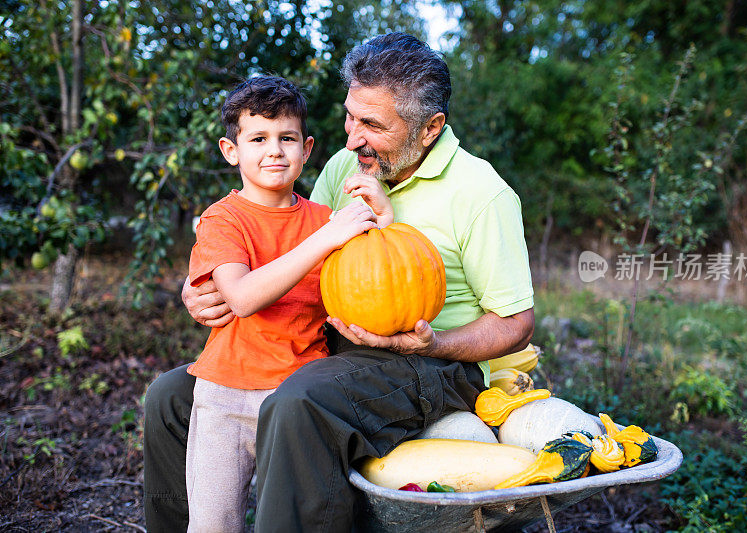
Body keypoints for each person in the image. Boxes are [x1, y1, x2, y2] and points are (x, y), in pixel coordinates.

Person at [144, 32, 535, 533]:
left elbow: (516, 323)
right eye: (351, 116)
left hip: (429, 363)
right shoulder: (345, 167)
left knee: (300, 401)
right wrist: (203, 284)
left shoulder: (481, 193)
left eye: (371, 124)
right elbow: (291, 245)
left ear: (430, 128)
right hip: (337, 343)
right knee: (173, 395)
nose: (351, 138)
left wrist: (436, 343)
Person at [178, 75, 389, 532]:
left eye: (286, 138)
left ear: (306, 148)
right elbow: (242, 296)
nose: (274, 150)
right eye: (258, 138)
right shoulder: (223, 219)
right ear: (231, 150)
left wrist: (382, 214)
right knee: (213, 523)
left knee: (287, 520)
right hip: (225, 395)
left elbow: (381, 277)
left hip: (297, 400)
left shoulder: (322, 219)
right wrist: (328, 237)